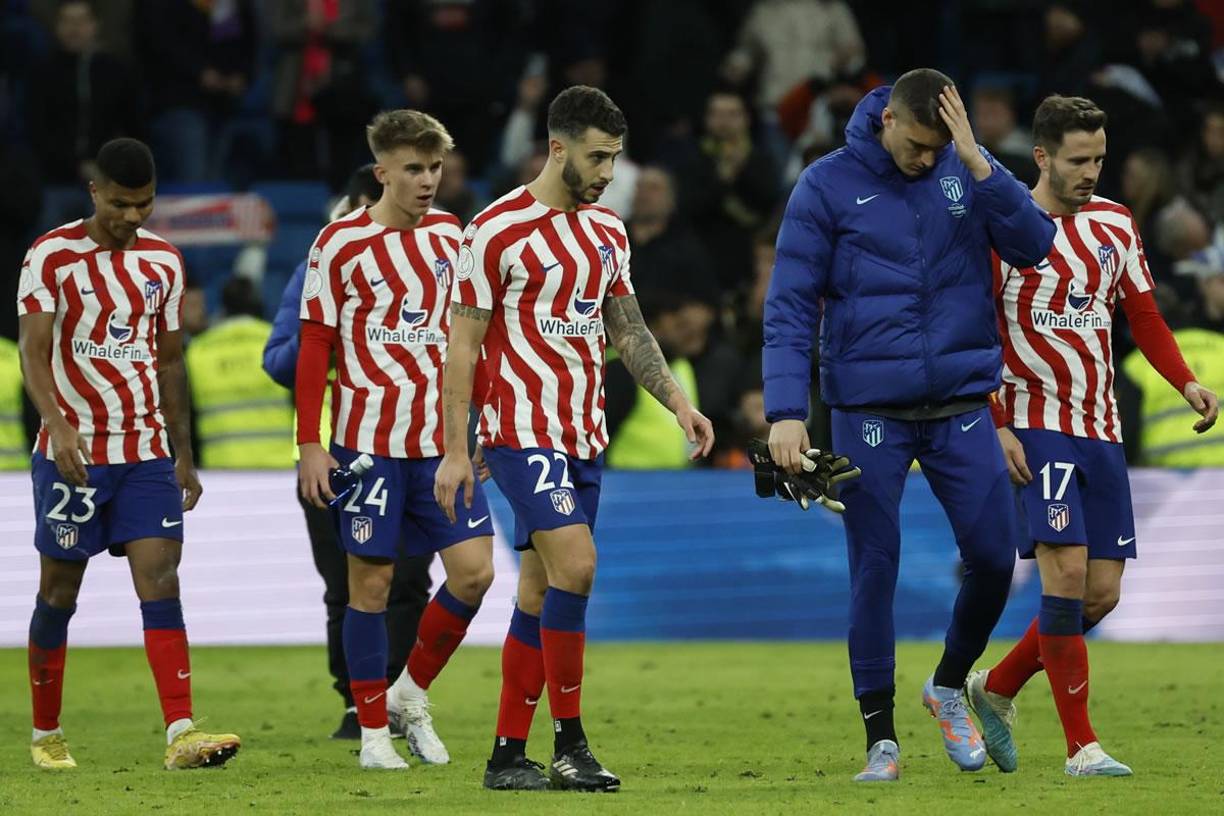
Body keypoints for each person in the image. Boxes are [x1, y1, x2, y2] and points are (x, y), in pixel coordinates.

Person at [763, 68, 1056, 782]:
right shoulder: (826, 185)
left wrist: (979, 161)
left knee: (994, 559)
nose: (926, 159)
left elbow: (1035, 244)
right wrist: (784, 412)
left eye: (937, 147)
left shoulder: (968, 172)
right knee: (875, 567)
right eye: (917, 144)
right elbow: (790, 303)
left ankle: (949, 683)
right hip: (869, 410)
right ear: (887, 119)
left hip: (959, 404)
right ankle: (881, 740)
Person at [435, 85, 714, 792]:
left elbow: (627, 329)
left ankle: (506, 756)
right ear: (557, 147)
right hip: (519, 430)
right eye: (596, 157)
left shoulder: (606, 232)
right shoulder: (494, 230)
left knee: (539, 590)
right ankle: (571, 744)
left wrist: (679, 402)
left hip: (581, 434)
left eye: (614, 158)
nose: (607, 173)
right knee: (579, 567)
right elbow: (461, 346)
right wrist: (457, 449)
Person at [968, 96, 1219, 777]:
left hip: (1099, 427)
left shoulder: (1115, 223)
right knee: (1068, 571)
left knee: (1101, 594)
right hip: (1033, 421)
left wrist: (1186, 382)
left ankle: (995, 688)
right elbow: (979, 332)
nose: (1091, 173)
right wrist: (997, 424)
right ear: (1043, 156)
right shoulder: (1006, 227)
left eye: (1100, 159)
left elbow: (1143, 314)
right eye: (1079, 161)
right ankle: (1082, 747)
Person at [17, 137, 240, 770]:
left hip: (145, 453)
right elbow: (34, 351)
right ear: (95, 192)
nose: (133, 217)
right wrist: (56, 424)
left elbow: (171, 361)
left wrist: (183, 453)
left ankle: (181, 732)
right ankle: (46, 733)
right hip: (74, 454)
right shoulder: (51, 255)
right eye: (120, 203)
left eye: (144, 204)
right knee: (59, 592)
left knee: (162, 580)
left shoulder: (165, 262)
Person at [295, 110, 496, 771]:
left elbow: (475, 339)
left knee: (474, 574)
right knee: (370, 590)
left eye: (435, 168)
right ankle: (375, 736)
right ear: (382, 173)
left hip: (442, 449)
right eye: (413, 169)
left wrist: (482, 424)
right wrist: (311, 443)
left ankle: (411, 693)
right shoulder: (339, 242)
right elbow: (316, 344)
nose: (428, 181)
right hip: (367, 448)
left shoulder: (453, 239)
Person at [262, 164, 434, 740]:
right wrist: (343, 333)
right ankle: (354, 698)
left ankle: (396, 693)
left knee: (408, 580)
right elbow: (280, 359)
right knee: (345, 585)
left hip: (412, 446)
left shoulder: (435, 260)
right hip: (330, 455)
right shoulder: (321, 263)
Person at [186, 277, 293, 469]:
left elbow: (186, 419)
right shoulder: (279, 343)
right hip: (280, 469)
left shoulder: (198, 350)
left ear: (223, 308)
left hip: (219, 469)